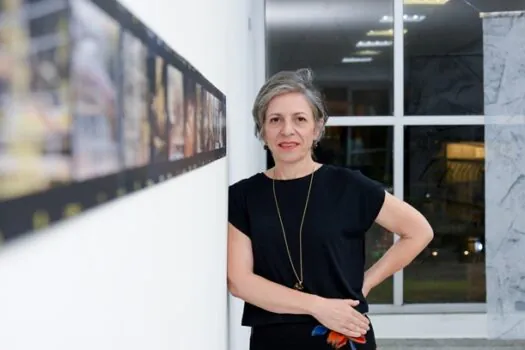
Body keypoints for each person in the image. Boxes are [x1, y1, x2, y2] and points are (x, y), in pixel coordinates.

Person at [227, 68, 434, 350]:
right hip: (274, 340)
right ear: (262, 129)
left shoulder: (349, 186)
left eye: (300, 119)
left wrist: (365, 284)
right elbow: (239, 281)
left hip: (343, 334)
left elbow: (419, 231)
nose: (287, 130)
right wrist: (318, 307)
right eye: (275, 119)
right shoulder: (242, 196)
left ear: (317, 127)